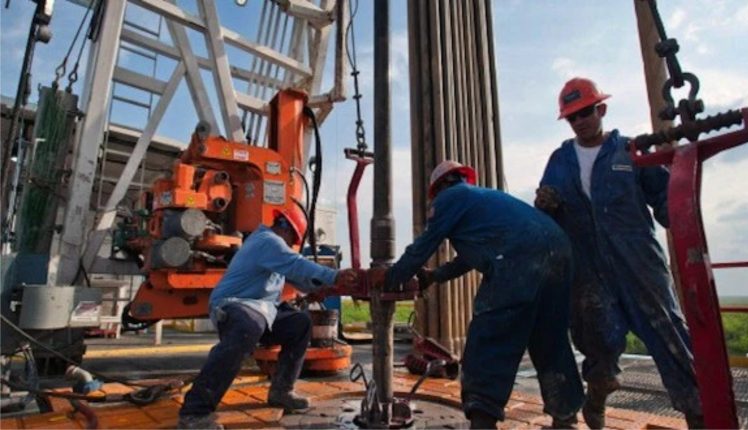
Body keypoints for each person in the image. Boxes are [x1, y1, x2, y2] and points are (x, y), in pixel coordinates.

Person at [535, 77, 703, 429]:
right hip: (588, 272)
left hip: (639, 265)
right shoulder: (560, 160)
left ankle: (699, 415)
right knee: (597, 344)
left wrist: (688, 227)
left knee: (670, 338)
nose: (580, 121)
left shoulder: (631, 151)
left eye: (585, 112)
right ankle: (597, 397)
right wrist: (545, 206)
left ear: (601, 109)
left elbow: (667, 200)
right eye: (572, 117)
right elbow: (546, 213)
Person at [386, 160, 585, 429]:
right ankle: (565, 416)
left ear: (439, 187)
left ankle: (483, 421)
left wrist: (391, 279)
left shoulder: (450, 198)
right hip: (559, 250)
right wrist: (434, 276)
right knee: (550, 338)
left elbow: (423, 246)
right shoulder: (484, 200)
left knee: (490, 338)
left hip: (518, 257)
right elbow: (467, 259)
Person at [177, 205, 358, 429]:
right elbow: (295, 264)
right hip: (234, 305)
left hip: (261, 311)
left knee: (300, 323)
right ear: (286, 229)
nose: (291, 245)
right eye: (293, 240)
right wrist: (334, 275)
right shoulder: (267, 241)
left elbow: (297, 277)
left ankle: (282, 391)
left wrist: (324, 287)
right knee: (249, 326)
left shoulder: (272, 249)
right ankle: (195, 412)